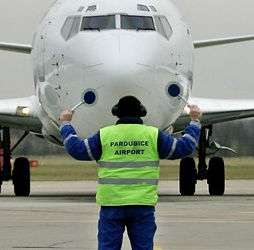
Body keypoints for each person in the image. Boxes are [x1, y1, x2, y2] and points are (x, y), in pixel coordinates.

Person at [59, 95, 202, 250]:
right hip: (142, 204)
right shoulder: (153, 135)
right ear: (141, 112)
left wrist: (66, 123)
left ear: (116, 112)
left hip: (112, 204)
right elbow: (184, 147)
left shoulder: (105, 135)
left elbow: (77, 149)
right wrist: (194, 122)